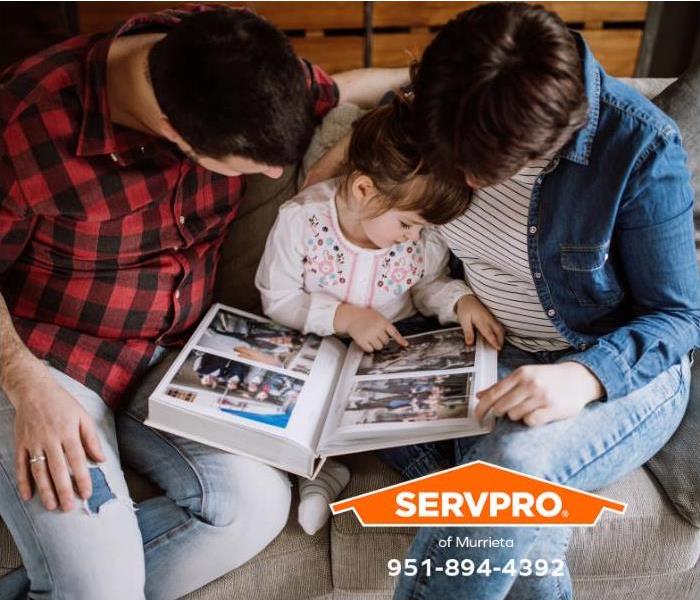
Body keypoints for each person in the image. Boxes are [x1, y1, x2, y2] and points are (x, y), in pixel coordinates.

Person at [0, 5, 410, 599]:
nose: (276, 173)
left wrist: (417, 89)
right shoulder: (22, 124)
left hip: (179, 354)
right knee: (96, 587)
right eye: (256, 168)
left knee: (254, 507)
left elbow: (339, 89)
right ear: (174, 133)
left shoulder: (237, 63)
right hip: (47, 363)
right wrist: (27, 387)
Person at [365, 4, 699, 600]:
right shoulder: (454, 99)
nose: (461, 182)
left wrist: (584, 376)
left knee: (507, 476)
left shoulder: (639, 147)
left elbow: (680, 317)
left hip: (618, 368)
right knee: (527, 536)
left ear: (554, 140)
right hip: (495, 354)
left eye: (481, 171)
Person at [255, 97, 505, 535]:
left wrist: (459, 300)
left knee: (429, 412)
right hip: (320, 339)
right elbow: (277, 299)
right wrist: (345, 317)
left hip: (397, 337)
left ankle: (475, 479)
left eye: (422, 230)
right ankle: (327, 475)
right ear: (364, 190)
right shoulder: (302, 220)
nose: (414, 237)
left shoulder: (418, 233)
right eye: (407, 225)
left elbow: (427, 285)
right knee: (322, 414)